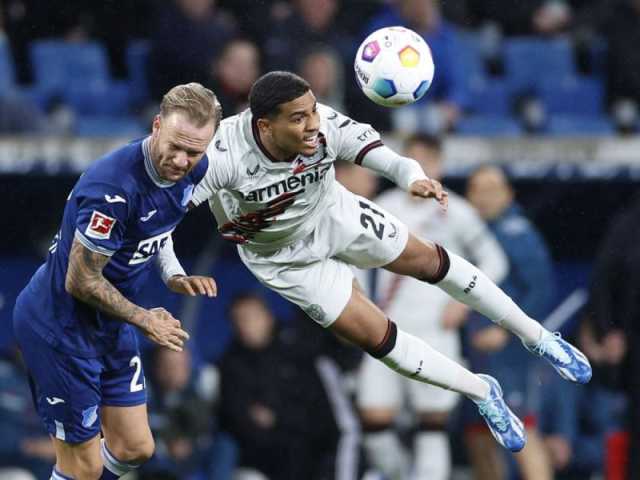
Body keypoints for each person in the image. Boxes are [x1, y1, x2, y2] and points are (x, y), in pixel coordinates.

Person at [186, 71, 592, 454]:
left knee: (428, 260)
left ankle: (538, 337)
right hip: (283, 259)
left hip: (333, 214)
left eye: (313, 110)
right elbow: (164, 215)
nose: (313, 123)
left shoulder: (324, 124)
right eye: (299, 117)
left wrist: (411, 178)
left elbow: (386, 158)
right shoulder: (220, 157)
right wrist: (171, 271)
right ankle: (481, 391)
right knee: (379, 341)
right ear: (265, 126)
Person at [12, 82, 220, 480]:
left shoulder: (196, 169)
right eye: (174, 145)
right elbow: (81, 280)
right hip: (60, 327)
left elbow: (158, 228)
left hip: (110, 323)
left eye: (193, 152)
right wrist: (145, 319)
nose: (180, 160)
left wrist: (172, 274)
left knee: (135, 447)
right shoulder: (112, 189)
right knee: (83, 467)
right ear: (156, 125)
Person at [356, 134, 508, 480]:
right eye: (413, 161)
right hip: (385, 325)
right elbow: (357, 259)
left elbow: (494, 260)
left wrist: (464, 301)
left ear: (439, 165)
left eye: (428, 162)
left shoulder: (454, 209)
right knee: (374, 420)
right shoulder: (384, 206)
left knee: (432, 423)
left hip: (435, 330)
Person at [465, 165, 555, 480]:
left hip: (509, 354)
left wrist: (506, 331)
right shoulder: (471, 231)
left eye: (493, 189)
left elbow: (542, 289)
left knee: (521, 426)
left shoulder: (517, 231)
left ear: (509, 194)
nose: (485, 197)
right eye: (478, 189)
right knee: (478, 433)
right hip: (476, 351)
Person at [218, 292, 357, 480]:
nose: (245, 326)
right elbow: (238, 416)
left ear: (267, 316)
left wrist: (278, 417)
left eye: (251, 318)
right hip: (268, 457)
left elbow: (319, 408)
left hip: (321, 447)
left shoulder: (301, 344)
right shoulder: (231, 363)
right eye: (238, 320)